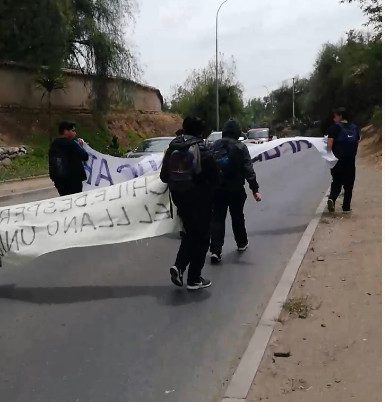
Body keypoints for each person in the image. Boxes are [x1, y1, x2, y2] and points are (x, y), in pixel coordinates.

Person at [160, 116, 219, 290]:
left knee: (190, 234)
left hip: (180, 198)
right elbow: (215, 176)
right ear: (201, 131)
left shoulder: (173, 147)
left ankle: (179, 267)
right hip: (200, 200)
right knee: (202, 237)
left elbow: (164, 176)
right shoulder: (203, 147)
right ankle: (194, 279)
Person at [210, 119, 261, 264]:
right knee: (237, 217)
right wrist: (255, 189)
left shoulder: (214, 146)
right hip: (236, 189)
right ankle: (241, 243)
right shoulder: (241, 147)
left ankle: (215, 250)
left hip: (217, 189)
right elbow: (248, 169)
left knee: (217, 219)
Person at [326, 108, 360, 214]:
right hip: (350, 160)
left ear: (340, 116)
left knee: (337, 181)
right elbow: (357, 142)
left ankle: (332, 198)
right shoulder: (354, 127)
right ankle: (346, 207)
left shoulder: (334, 128)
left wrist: (329, 153)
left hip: (337, 160)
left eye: (335, 116)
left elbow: (329, 146)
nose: (333, 118)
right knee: (349, 184)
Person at [49, 121, 89, 196]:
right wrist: (80, 146)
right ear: (65, 131)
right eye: (72, 130)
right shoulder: (72, 143)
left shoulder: (54, 144)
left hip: (59, 179)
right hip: (73, 179)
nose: (75, 133)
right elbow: (84, 156)